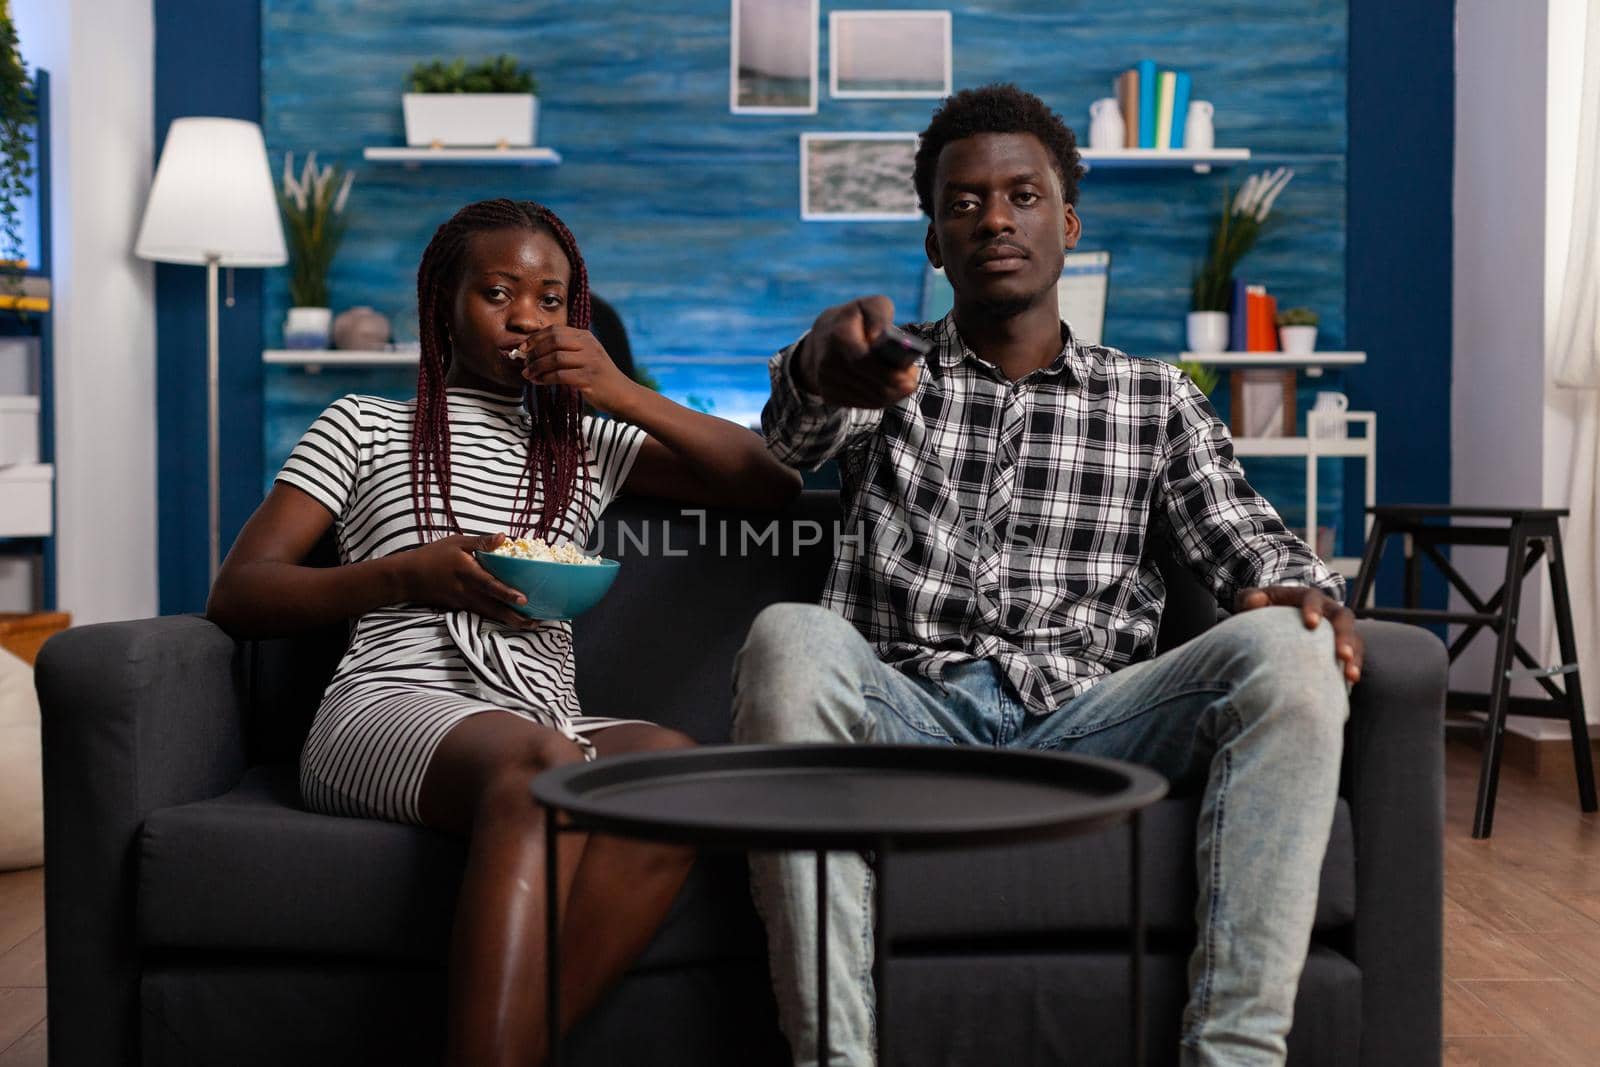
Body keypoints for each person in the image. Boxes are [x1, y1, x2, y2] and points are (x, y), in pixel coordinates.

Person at [732, 85, 1360, 1067]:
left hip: (1090, 721)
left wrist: (1301, 590)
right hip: (910, 718)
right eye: (963, 202)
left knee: (1295, 645)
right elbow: (787, 438)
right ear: (934, 241)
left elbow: (1254, 548)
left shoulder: (1154, 397)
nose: (993, 219)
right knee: (786, 633)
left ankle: (1234, 1058)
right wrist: (817, 366)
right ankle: (838, 1058)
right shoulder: (881, 374)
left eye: (1021, 195)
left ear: (1066, 223)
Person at [207, 198, 801, 1067]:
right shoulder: (362, 425)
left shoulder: (583, 444)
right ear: (443, 300)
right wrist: (413, 572)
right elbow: (239, 593)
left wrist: (621, 392)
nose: (528, 315)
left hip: (539, 713)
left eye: (553, 299)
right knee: (542, 767)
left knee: (674, 770)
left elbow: (771, 485)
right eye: (498, 291)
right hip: (388, 704)